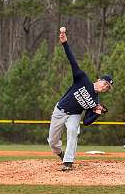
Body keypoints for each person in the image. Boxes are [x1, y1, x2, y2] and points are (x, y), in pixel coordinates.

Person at [47, 27, 113, 171]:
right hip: (60, 110)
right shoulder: (82, 79)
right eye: (105, 83)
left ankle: (68, 162)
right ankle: (60, 153)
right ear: (99, 79)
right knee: (52, 141)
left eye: (107, 87)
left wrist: (97, 113)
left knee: (72, 131)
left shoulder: (95, 102)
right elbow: (73, 62)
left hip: (75, 115)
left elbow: (86, 122)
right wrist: (65, 43)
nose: (105, 87)